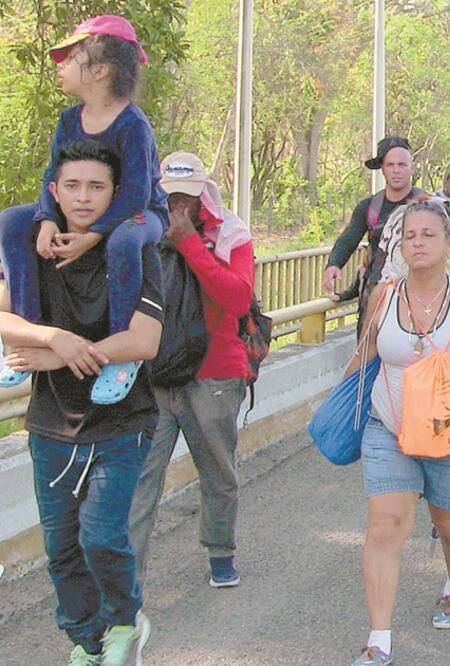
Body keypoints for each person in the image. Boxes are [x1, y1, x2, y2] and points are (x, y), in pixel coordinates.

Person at [0, 139, 163, 665]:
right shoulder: (35, 249)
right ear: (54, 191)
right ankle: (87, 642)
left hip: (121, 422)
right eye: (72, 186)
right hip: (51, 423)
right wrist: (53, 340)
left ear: (116, 193)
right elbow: (4, 317)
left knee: (100, 536)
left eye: (97, 187)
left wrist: (70, 353)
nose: (84, 198)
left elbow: (144, 340)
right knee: (62, 552)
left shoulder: (134, 248)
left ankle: (124, 618)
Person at [344, 201, 450, 666]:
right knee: (385, 525)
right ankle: (379, 639)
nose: (416, 243)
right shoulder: (384, 295)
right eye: (408, 236)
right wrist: (340, 405)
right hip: (389, 428)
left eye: (427, 235)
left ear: (449, 244)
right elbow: (365, 356)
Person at [0, 15, 168, 406]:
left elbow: (137, 192)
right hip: (102, 210)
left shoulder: (132, 124)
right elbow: (51, 175)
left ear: (100, 69)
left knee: (124, 240)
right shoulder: (68, 119)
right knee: (10, 221)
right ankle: (25, 334)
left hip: (143, 214)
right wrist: (45, 219)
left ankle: (119, 355)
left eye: (70, 58)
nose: (60, 67)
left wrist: (91, 237)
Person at [128, 151, 255, 590]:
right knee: (140, 481)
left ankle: (221, 551)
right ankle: (128, 580)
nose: (178, 205)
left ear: (202, 192)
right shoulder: (140, 230)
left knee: (218, 472)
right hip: (153, 372)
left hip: (214, 374)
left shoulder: (230, 233)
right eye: (170, 196)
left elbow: (237, 299)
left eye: (187, 196)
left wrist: (189, 244)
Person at [322, 136, 426, 321]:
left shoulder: (429, 206)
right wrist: (334, 264)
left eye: (402, 165)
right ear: (382, 169)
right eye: (390, 165)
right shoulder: (369, 207)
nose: (396, 171)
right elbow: (349, 237)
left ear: (411, 168)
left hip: (418, 300)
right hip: (374, 300)